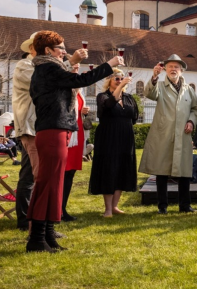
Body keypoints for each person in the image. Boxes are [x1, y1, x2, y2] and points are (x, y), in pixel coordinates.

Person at [26, 31, 118, 253]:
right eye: (60, 48)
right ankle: (37, 239)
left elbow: (71, 80)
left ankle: (47, 234)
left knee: (54, 183)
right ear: (48, 51)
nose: (64, 52)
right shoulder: (47, 68)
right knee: (47, 183)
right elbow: (81, 80)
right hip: (52, 131)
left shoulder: (49, 69)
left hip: (57, 130)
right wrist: (109, 65)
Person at [141, 55, 197, 214]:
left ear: (181, 70)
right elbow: (149, 94)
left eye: (176, 67)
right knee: (162, 171)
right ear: (165, 69)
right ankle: (162, 206)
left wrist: (191, 122)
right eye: (170, 66)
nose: (173, 69)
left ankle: (185, 206)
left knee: (184, 171)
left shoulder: (189, 89)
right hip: (164, 134)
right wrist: (153, 77)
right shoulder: (159, 85)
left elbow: (195, 110)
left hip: (183, 134)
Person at [89, 68, 138, 218]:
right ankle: (108, 209)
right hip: (108, 137)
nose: (119, 81)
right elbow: (109, 105)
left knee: (122, 168)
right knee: (109, 169)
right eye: (116, 78)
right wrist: (120, 87)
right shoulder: (102, 96)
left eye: (121, 78)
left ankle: (115, 206)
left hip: (125, 136)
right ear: (109, 80)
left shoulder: (129, 97)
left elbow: (134, 116)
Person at [12, 32, 39, 231]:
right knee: (29, 175)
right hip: (30, 126)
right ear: (32, 49)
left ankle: (31, 217)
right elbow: (41, 84)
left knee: (32, 173)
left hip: (38, 125)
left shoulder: (38, 66)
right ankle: (24, 219)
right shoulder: (25, 65)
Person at [60, 65, 87, 222]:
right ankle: (57, 209)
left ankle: (63, 208)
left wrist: (83, 111)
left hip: (77, 133)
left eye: (77, 68)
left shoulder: (78, 89)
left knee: (70, 173)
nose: (76, 70)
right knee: (62, 173)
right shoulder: (64, 87)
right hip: (67, 133)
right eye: (73, 68)